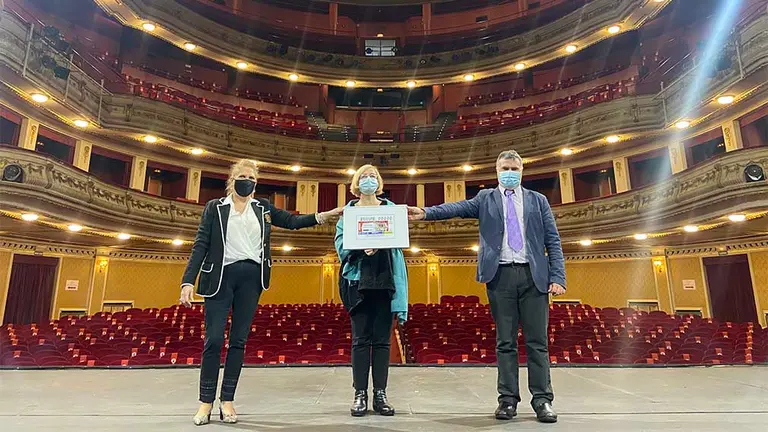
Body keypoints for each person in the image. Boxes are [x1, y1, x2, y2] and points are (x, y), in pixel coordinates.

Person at [179, 159, 342, 426]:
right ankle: (205, 402)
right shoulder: (215, 208)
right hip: (219, 278)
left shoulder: (262, 208)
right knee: (214, 340)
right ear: (232, 180)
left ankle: (227, 400)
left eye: (252, 178)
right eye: (243, 176)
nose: (248, 181)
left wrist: (326, 214)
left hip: (251, 279)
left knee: (238, 341)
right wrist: (188, 281)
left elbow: (292, 221)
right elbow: (201, 244)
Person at [408, 150, 566, 423]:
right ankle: (507, 400)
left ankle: (542, 400)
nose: (510, 172)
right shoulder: (485, 198)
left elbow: (553, 240)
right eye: (505, 168)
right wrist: (425, 213)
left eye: (514, 168)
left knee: (537, 343)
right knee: (505, 343)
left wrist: (558, 277)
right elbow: (455, 209)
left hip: (534, 277)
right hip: (500, 276)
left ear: (522, 171)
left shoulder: (538, 201)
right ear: (496, 170)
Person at [334, 164, 408, 417]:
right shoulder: (349, 211)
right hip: (358, 280)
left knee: (382, 341)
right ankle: (360, 394)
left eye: (372, 176)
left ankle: (380, 394)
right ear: (356, 183)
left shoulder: (390, 210)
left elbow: (398, 239)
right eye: (363, 176)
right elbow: (340, 242)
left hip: (385, 278)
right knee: (360, 340)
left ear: (379, 182)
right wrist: (358, 248)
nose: (368, 180)